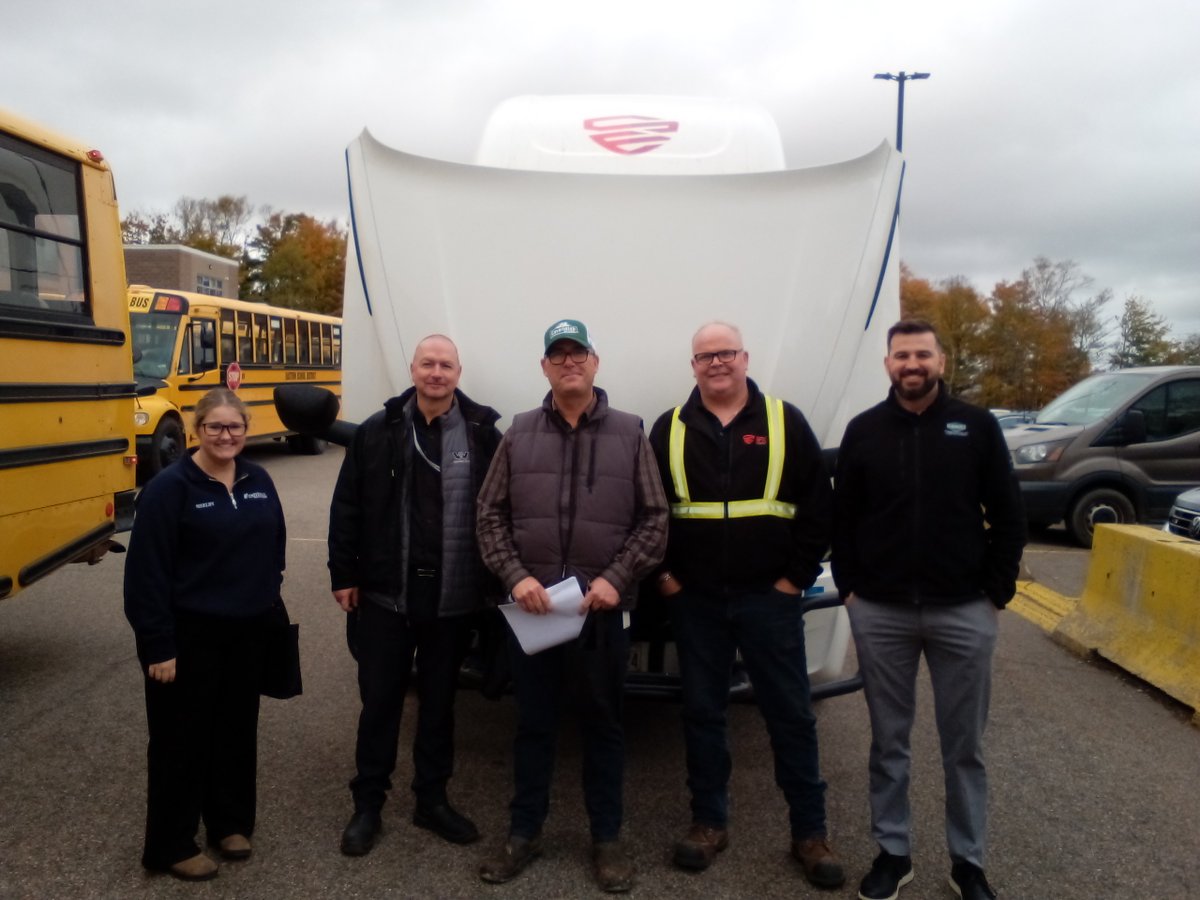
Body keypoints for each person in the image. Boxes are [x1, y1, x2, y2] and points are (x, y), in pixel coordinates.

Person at [831, 320, 1026, 900]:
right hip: (881, 612)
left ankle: (968, 863)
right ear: (887, 364)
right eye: (900, 355)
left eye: (921, 354)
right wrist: (850, 589)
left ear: (940, 360)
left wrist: (997, 591)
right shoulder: (864, 430)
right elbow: (843, 520)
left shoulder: (978, 425)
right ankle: (893, 853)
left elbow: (1009, 513)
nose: (910, 364)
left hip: (963, 610)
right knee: (889, 743)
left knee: (964, 746)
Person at [647, 321, 845, 890]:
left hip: (769, 599)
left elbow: (817, 509)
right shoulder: (671, 428)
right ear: (693, 366)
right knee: (703, 714)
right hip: (696, 601)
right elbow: (648, 511)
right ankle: (708, 824)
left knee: (790, 716)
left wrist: (793, 581)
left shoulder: (785, 420)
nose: (716, 363)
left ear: (744, 357)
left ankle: (810, 833)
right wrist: (664, 579)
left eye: (725, 352)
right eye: (705, 355)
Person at [475, 319, 668, 893]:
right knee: (533, 727)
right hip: (536, 616)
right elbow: (489, 516)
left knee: (605, 727)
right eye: (557, 356)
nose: (568, 363)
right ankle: (523, 833)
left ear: (594, 361)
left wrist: (617, 577)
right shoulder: (520, 432)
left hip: (601, 616)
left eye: (576, 353)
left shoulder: (631, 433)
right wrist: (515, 577)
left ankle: (606, 840)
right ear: (544, 368)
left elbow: (656, 520)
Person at [328, 334, 502, 856]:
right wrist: (343, 573)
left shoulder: (481, 434)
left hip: (452, 600)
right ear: (412, 368)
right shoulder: (378, 432)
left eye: (445, 365)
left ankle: (432, 800)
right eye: (427, 363)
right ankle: (368, 806)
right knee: (380, 703)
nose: (436, 373)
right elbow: (347, 506)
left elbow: (500, 511)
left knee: (439, 705)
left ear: (458, 371)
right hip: (387, 596)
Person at [124, 387, 287, 881]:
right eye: (215, 426)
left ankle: (230, 823)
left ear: (246, 428)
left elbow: (274, 546)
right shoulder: (170, 489)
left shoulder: (259, 479)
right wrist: (158, 643)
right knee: (180, 742)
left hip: (246, 634)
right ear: (197, 430)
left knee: (236, 732)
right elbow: (145, 574)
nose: (226, 435)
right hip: (187, 637)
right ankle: (170, 844)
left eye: (235, 426)